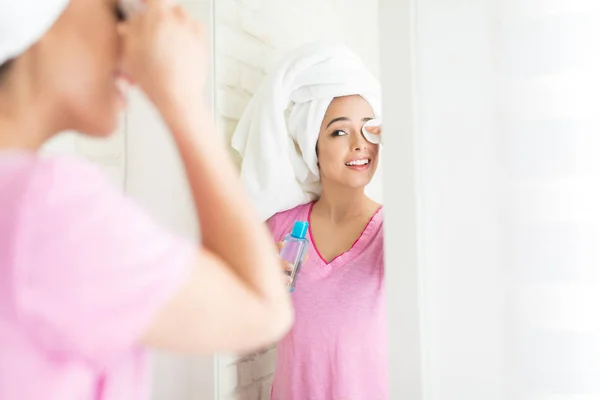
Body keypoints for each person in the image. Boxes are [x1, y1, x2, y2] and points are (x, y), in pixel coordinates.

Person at [0, 0, 293, 399]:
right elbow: (264, 308)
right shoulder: (44, 207)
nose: (135, 46)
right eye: (123, 13)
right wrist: (182, 98)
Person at [230, 43, 388, 400]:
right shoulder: (281, 229)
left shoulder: (393, 234)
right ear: (311, 143)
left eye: (369, 129)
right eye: (339, 132)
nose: (360, 144)